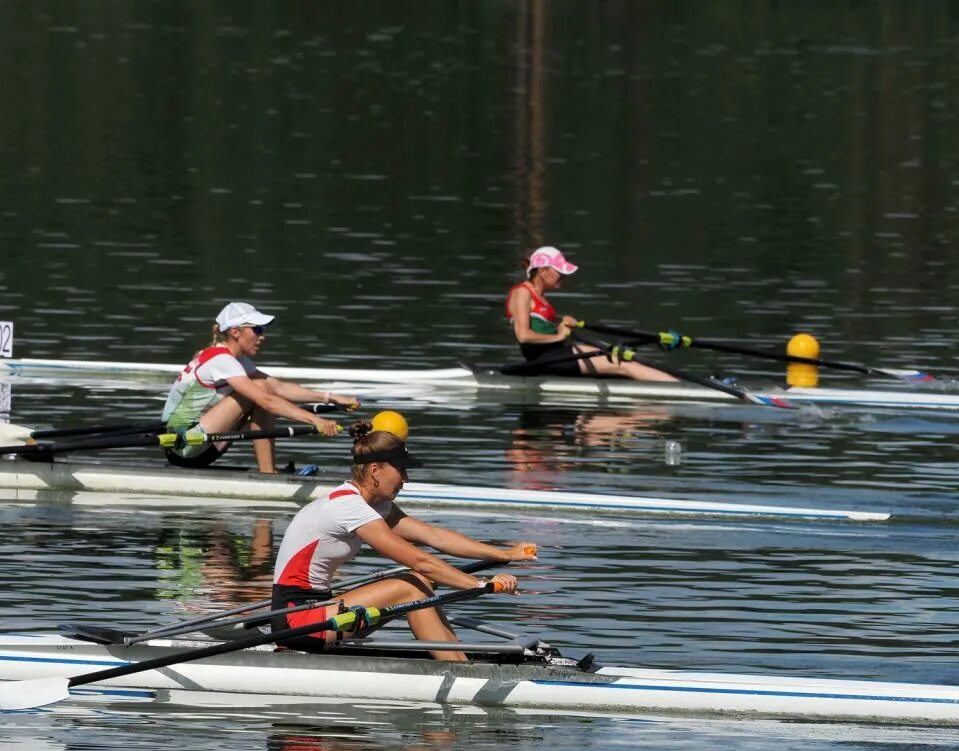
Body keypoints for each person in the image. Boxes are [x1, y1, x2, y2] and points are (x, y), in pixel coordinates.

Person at [270, 418, 537, 662]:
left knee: (418, 581)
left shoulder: (374, 505)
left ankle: (458, 662)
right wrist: (480, 585)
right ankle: (458, 669)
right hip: (297, 620)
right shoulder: (347, 506)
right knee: (412, 583)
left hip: (319, 609)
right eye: (402, 471)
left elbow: (435, 537)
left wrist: (505, 554)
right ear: (375, 470)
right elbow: (418, 559)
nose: (406, 480)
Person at [161, 302, 360, 474]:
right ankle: (267, 474)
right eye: (257, 330)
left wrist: (332, 398)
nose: (262, 336)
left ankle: (267, 472)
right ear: (235, 332)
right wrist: (315, 420)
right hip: (183, 445)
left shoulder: (237, 360)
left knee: (263, 388)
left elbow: (279, 387)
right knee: (260, 391)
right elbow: (267, 401)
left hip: (205, 442)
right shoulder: (221, 359)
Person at [505, 246, 675, 381]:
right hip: (546, 359)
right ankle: (682, 390)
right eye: (559, 271)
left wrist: (560, 326)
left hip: (557, 354)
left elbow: (541, 328)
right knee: (622, 363)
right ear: (542, 271)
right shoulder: (522, 293)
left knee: (616, 360)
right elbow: (523, 335)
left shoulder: (540, 296)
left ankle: (675, 387)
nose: (563, 276)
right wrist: (558, 336)